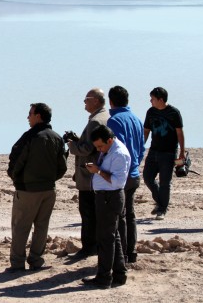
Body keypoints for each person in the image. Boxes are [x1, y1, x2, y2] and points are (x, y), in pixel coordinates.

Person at [6, 103, 67, 272]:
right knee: (42, 226)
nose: (28, 117)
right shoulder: (56, 138)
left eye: (30, 114)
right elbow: (62, 166)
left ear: (38, 116)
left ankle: (18, 263)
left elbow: (17, 160)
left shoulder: (30, 137)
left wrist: (15, 177)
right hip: (48, 189)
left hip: (27, 190)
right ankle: (36, 260)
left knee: (21, 227)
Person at [82, 125, 130, 289]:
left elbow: (117, 181)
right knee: (112, 236)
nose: (99, 149)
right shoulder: (109, 150)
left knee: (105, 239)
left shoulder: (119, 154)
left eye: (100, 146)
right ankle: (119, 274)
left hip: (110, 197)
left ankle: (104, 277)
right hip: (106, 197)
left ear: (109, 140)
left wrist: (97, 171)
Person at [65, 88, 109, 259]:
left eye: (87, 99)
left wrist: (71, 144)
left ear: (96, 101)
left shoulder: (95, 121)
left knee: (88, 212)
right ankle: (95, 246)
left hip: (90, 175)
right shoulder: (104, 117)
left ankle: (89, 247)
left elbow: (87, 149)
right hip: (99, 174)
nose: (84, 102)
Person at [107, 86, 146, 263]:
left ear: (111, 101)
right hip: (135, 172)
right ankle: (131, 251)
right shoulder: (137, 120)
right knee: (129, 214)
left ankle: (121, 254)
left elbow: (117, 149)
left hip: (122, 174)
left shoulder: (114, 120)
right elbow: (142, 147)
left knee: (120, 216)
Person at [143, 87, 186, 221]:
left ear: (160, 99)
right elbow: (146, 131)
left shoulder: (174, 112)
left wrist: (182, 152)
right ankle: (161, 202)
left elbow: (179, 132)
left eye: (153, 99)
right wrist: (140, 147)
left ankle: (162, 209)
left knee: (165, 182)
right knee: (147, 177)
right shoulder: (150, 112)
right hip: (153, 150)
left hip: (168, 152)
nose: (151, 101)